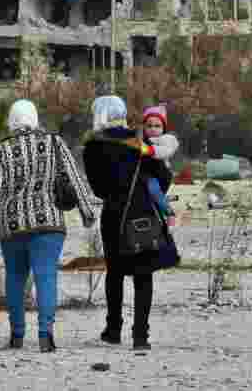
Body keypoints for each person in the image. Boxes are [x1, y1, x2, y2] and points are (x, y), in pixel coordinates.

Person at [0, 99, 96, 352]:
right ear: (35, 119)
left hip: (12, 227)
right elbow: (75, 178)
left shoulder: (2, 150)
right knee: (46, 276)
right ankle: (45, 336)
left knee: (15, 279)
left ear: (11, 121)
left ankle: (16, 336)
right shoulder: (55, 143)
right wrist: (87, 212)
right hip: (49, 224)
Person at [83, 95, 173, 351]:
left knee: (115, 272)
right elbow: (164, 177)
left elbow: (98, 189)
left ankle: (113, 330)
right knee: (143, 275)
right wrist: (147, 192)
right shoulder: (140, 140)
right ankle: (141, 336)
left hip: (114, 214)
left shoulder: (93, 146)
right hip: (143, 214)